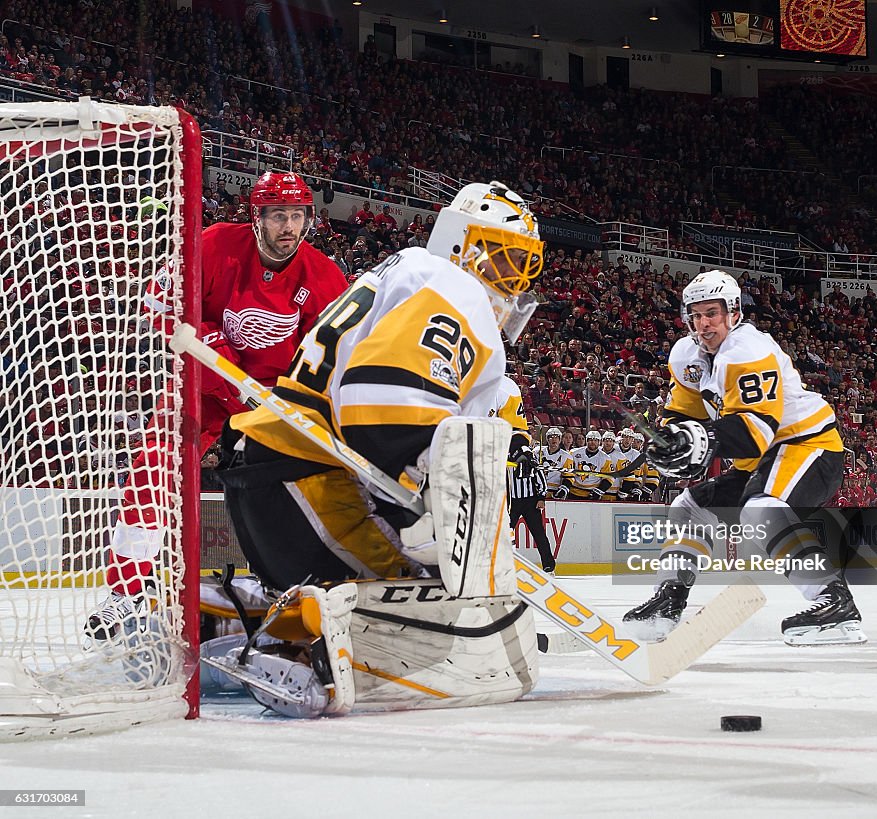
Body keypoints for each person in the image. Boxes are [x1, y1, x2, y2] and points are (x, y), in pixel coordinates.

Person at [204, 181, 545, 717]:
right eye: (502, 257)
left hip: (280, 476)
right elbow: (383, 403)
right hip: (309, 485)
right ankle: (297, 640)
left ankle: (229, 614)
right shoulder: (454, 286)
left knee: (415, 569)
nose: (511, 278)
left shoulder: (406, 273)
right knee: (425, 593)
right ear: (462, 243)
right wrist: (439, 486)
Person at [85, 172, 349, 641]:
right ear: (257, 218)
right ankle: (125, 594)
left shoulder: (324, 276)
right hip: (203, 388)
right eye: (278, 216)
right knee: (153, 471)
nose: (288, 226)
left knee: (296, 487)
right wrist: (210, 346)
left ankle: (298, 585)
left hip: (272, 401)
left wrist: (292, 396)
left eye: (296, 215)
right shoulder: (214, 245)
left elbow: (332, 355)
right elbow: (156, 305)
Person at [623, 270, 866, 646]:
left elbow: (756, 432)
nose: (704, 324)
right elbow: (684, 414)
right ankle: (669, 599)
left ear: (733, 312)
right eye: (697, 315)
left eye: (713, 313)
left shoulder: (748, 349)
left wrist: (701, 439)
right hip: (763, 461)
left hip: (808, 445)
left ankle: (834, 603)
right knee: (687, 509)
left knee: (762, 509)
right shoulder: (686, 355)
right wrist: (670, 438)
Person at [494, 376, 556, 573]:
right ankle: (501, 564)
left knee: (538, 534)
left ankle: (549, 566)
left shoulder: (505, 388)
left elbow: (539, 477)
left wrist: (541, 497)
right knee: (504, 531)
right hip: (511, 497)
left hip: (528, 500)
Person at [554, 429, 612, 500]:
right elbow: (568, 472)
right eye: (590, 440)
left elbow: (609, 478)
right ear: (586, 441)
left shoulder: (605, 458)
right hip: (574, 491)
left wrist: (599, 491)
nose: (592, 442)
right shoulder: (573, 453)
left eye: (595, 440)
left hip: (592, 494)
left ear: (599, 442)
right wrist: (565, 487)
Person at [537, 426, 573, 498]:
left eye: (556, 437)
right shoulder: (537, 452)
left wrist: (564, 489)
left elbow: (569, 477)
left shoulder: (567, 456)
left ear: (560, 440)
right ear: (547, 439)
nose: (554, 439)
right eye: (551, 437)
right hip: (537, 489)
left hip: (555, 491)